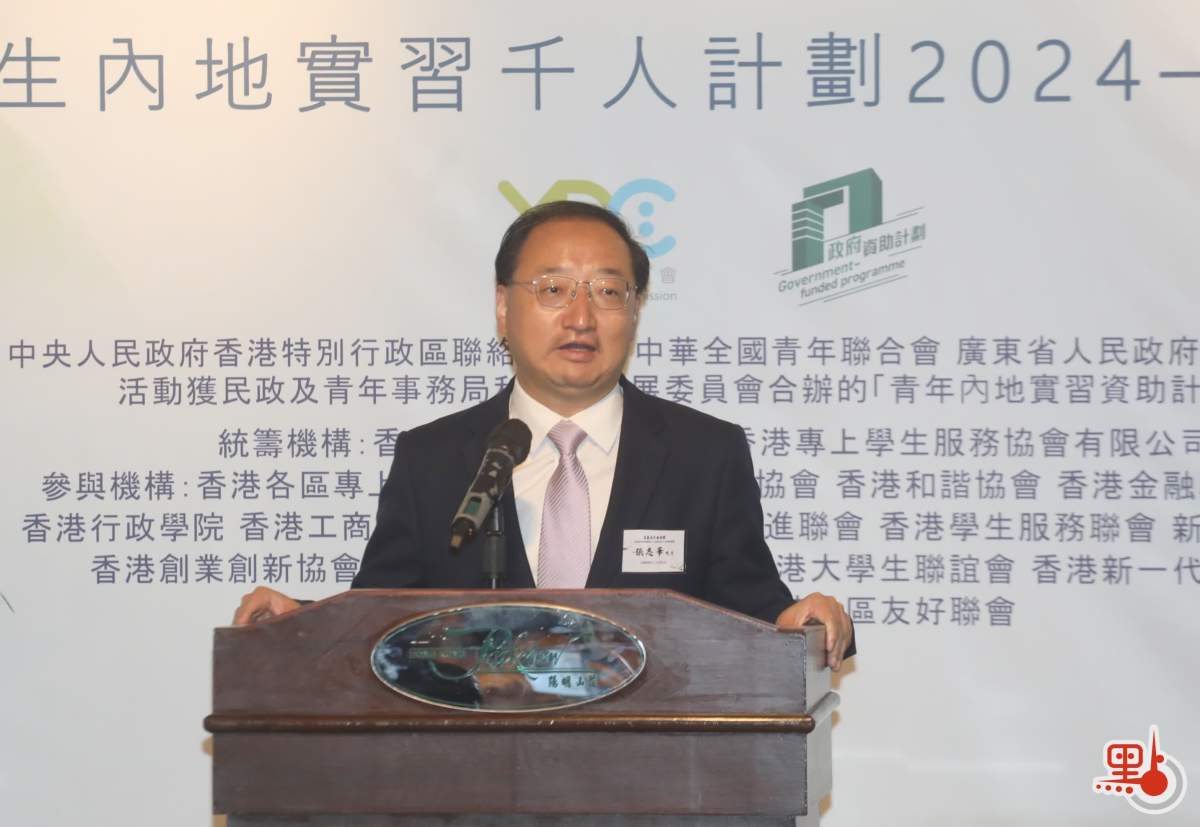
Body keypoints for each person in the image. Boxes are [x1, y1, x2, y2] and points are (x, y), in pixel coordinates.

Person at [234, 201, 855, 669]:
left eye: (608, 292)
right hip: (474, 779)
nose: (581, 317)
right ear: (503, 307)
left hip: (651, 777)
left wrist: (803, 620)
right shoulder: (435, 458)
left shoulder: (703, 454)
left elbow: (752, 610)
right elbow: (379, 615)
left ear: (635, 311)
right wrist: (298, 623)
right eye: (553, 289)